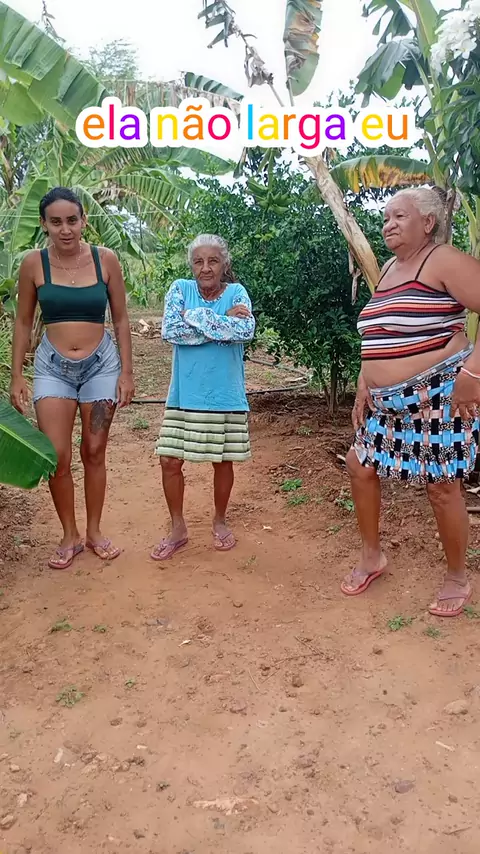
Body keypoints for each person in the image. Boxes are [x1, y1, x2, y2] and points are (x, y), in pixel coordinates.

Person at [343, 186, 480, 617]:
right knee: (359, 464)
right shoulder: (389, 268)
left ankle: (457, 577)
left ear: (428, 222)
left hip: (439, 393)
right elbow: (378, 332)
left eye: (399, 216)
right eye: (386, 217)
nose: (388, 224)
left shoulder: (441, 259)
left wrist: (473, 374)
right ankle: (372, 557)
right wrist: (365, 380)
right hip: (386, 402)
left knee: (442, 485)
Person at [10, 186, 135, 569]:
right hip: (53, 369)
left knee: (94, 450)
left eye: (72, 220)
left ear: (84, 220)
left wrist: (127, 372)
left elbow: (121, 319)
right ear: (43, 224)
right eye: (56, 222)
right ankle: (70, 535)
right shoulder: (34, 264)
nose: (65, 229)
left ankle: (94, 531)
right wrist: (17, 375)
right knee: (57, 456)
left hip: (101, 365)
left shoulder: (105, 259)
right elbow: (23, 321)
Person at [152, 234, 255, 560]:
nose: (205, 268)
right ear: (191, 265)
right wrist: (222, 324)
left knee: (223, 461)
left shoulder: (237, 292)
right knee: (169, 460)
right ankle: (177, 527)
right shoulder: (180, 289)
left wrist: (194, 317)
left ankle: (220, 521)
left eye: (213, 261)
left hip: (225, 395)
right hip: (184, 394)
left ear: (224, 264)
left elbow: (244, 331)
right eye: (199, 261)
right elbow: (170, 331)